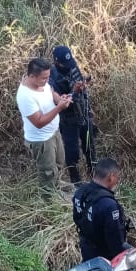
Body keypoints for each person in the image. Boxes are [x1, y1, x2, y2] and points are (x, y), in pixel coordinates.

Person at [16, 57, 73, 201]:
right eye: (44, 78)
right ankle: (49, 201)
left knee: (59, 162)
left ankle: (57, 185)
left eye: (48, 77)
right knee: (47, 171)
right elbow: (39, 122)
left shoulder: (43, 83)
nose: (47, 80)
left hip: (54, 132)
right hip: (41, 140)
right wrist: (59, 108)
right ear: (31, 76)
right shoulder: (25, 96)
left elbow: (51, 92)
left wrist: (59, 99)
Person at [51, 45, 97, 184]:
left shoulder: (72, 65)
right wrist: (75, 92)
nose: (69, 66)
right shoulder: (51, 78)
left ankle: (94, 174)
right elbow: (61, 103)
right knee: (72, 152)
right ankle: (75, 180)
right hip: (68, 119)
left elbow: (81, 89)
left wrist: (83, 90)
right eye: (64, 64)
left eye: (69, 62)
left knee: (90, 146)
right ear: (56, 62)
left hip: (83, 114)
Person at [73, 158, 129, 262]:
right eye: (117, 176)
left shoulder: (79, 192)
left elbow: (77, 219)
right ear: (111, 176)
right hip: (105, 258)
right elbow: (116, 241)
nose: (117, 180)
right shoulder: (109, 205)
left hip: (86, 249)